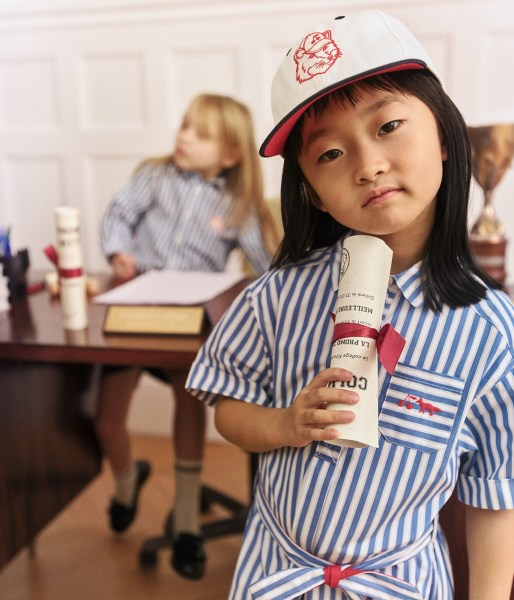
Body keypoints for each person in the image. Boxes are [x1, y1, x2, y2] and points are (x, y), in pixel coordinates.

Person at [186, 11, 514, 599]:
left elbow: (495, 495)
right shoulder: (276, 296)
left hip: (402, 583)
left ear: (445, 135)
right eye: (330, 154)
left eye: (388, 125)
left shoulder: (491, 334)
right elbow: (228, 407)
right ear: (311, 190)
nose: (368, 166)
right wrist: (283, 424)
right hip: (277, 573)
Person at [96, 93, 279, 580]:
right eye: (183, 126)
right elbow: (117, 215)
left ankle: (185, 521)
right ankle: (126, 482)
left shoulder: (237, 203)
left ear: (230, 155)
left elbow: (265, 265)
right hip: (134, 310)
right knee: (107, 418)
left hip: (185, 321)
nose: (184, 138)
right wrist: (117, 252)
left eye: (200, 134)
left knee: (188, 398)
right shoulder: (154, 175)